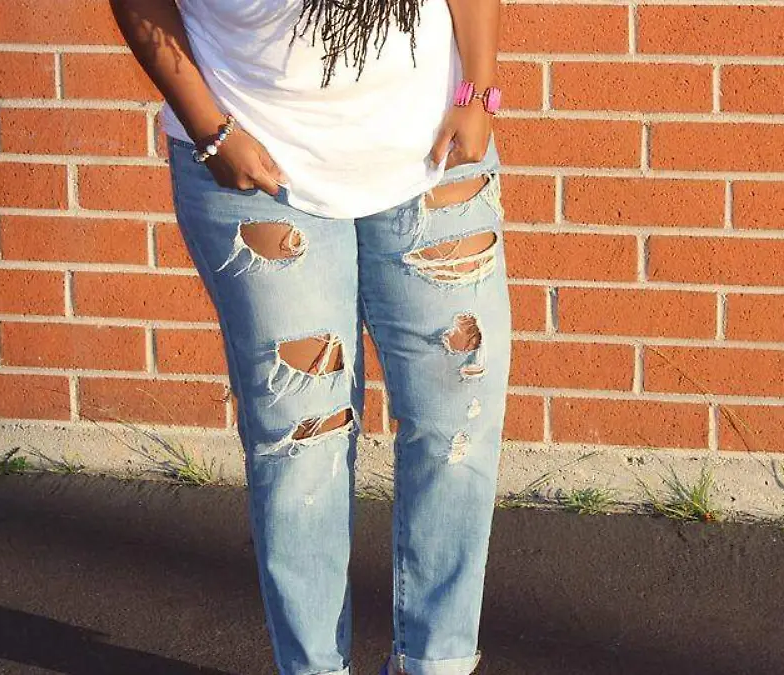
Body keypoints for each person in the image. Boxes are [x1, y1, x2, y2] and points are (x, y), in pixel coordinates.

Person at [109, 0, 507, 673]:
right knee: (302, 442)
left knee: (457, 419)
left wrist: (478, 88)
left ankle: (437, 663)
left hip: (435, 151)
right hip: (258, 166)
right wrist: (210, 129)